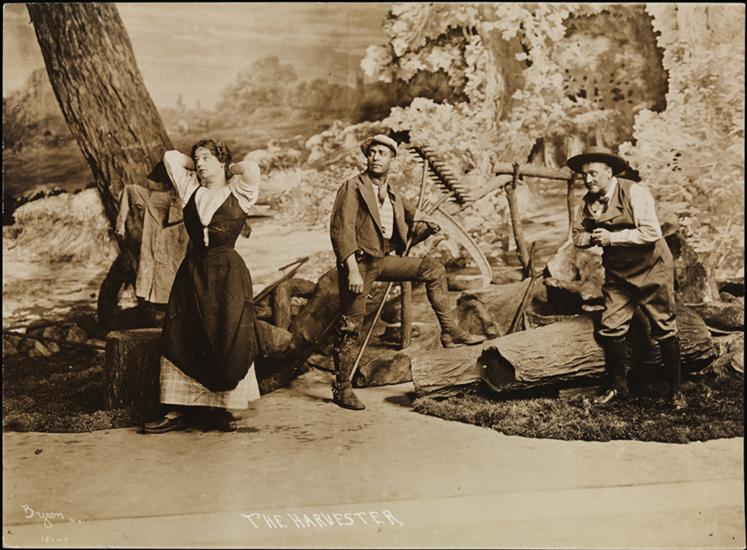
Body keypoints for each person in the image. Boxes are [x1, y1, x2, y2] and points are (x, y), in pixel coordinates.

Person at [329, 134, 486, 411]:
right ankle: (342, 388)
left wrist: (430, 225)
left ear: (392, 159)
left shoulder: (392, 193)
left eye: (382, 153)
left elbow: (412, 221)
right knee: (350, 326)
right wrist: (351, 270)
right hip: (359, 264)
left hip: (383, 260)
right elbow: (341, 230)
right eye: (372, 152)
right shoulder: (353, 186)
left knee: (434, 269)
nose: (375, 157)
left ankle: (449, 332)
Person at [141, 139, 262, 433]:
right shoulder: (190, 189)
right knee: (181, 332)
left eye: (206, 158)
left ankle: (220, 409)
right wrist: (198, 163)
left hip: (228, 276)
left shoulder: (239, 193)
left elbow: (251, 169)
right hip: (193, 272)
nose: (199, 163)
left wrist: (228, 168)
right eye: (197, 159)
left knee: (227, 335)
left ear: (222, 162)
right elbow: (171, 158)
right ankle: (176, 409)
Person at [568, 146, 685, 409]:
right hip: (618, 274)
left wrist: (612, 238)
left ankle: (675, 392)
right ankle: (619, 388)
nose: (588, 179)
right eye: (584, 175)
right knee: (611, 327)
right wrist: (590, 238)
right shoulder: (585, 203)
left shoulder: (635, 192)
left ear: (609, 172)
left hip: (651, 267)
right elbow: (576, 237)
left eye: (593, 173)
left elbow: (651, 232)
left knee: (664, 327)